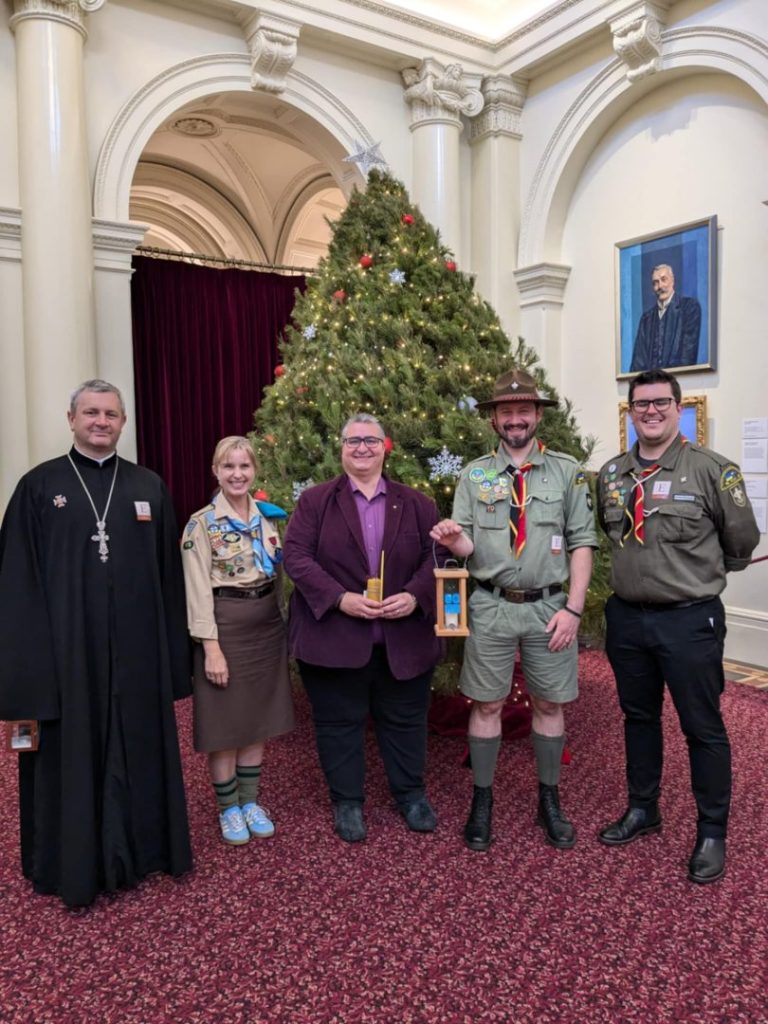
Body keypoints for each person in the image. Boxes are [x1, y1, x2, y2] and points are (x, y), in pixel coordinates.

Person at [0, 380, 192, 908]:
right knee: (71, 755)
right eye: (91, 412)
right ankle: (71, 862)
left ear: (123, 422)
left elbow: (168, 579)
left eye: (110, 413)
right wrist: (25, 673)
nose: (101, 421)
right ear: (71, 419)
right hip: (66, 659)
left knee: (140, 746)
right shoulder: (38, 488)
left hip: (137, 654)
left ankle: (147, 851)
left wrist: (174, 661)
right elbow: (17, 583)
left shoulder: (148, 486)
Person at [597, 368, 759, 884]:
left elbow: (741, 544)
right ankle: (644, 809)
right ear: (631, 410)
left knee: (702, 726)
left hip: (689, 620)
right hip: (627, 620)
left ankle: (712, 831)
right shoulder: (612, 474)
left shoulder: (713, 470)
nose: (651, 411)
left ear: (677, 405)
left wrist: (694, 577)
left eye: (660, 403)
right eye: (640, 404)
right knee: (637, 719)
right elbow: (609, 533)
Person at [430, 369, 596, 852]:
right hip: (492, 607)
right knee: (486, 704)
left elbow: (583, 542)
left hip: (550, 609)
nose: (516, 419)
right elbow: (465, 545)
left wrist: (575, 609)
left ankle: (550, 801)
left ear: (538, 415)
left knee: (549, 704)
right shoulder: (474, 474)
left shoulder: (565, 472)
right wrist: (451, 537)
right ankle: (482, 801)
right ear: (494, 421)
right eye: (507, 412)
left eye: (524, 410)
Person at [282, 413, 443, 843]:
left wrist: (413, 595)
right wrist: (339, 598)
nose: (362, 448)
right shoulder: (315, 502)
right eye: (353, 441)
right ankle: (347, 802)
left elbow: (437, 558)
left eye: (371, 440)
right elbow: (295, 556)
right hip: (334, 639)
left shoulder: (417, 503)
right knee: (338, 723)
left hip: (403, 640)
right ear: (341, 448)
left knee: (406, 721)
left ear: (385, 446)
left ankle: (410, 795)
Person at [181, 436, 294, 845]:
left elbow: (278, 577)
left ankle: (249, 801)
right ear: (215, 471)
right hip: (225, 627)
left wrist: (282, 623)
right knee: (226, 723)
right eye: (228, 467)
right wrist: (210, 647)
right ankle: (228, 808)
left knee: (257, 719)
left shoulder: (268, 518)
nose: (237, 474)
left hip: (265, 625)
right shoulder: (201, 524)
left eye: (244, 467)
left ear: (254, 471)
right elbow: (196, 591)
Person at [629, 264, 702, 372]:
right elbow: (637, 363)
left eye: (664, 280)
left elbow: (688, 357)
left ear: (672, 281)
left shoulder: (689, 308)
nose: (660, 286)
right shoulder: (646, 319)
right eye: (655, 283)